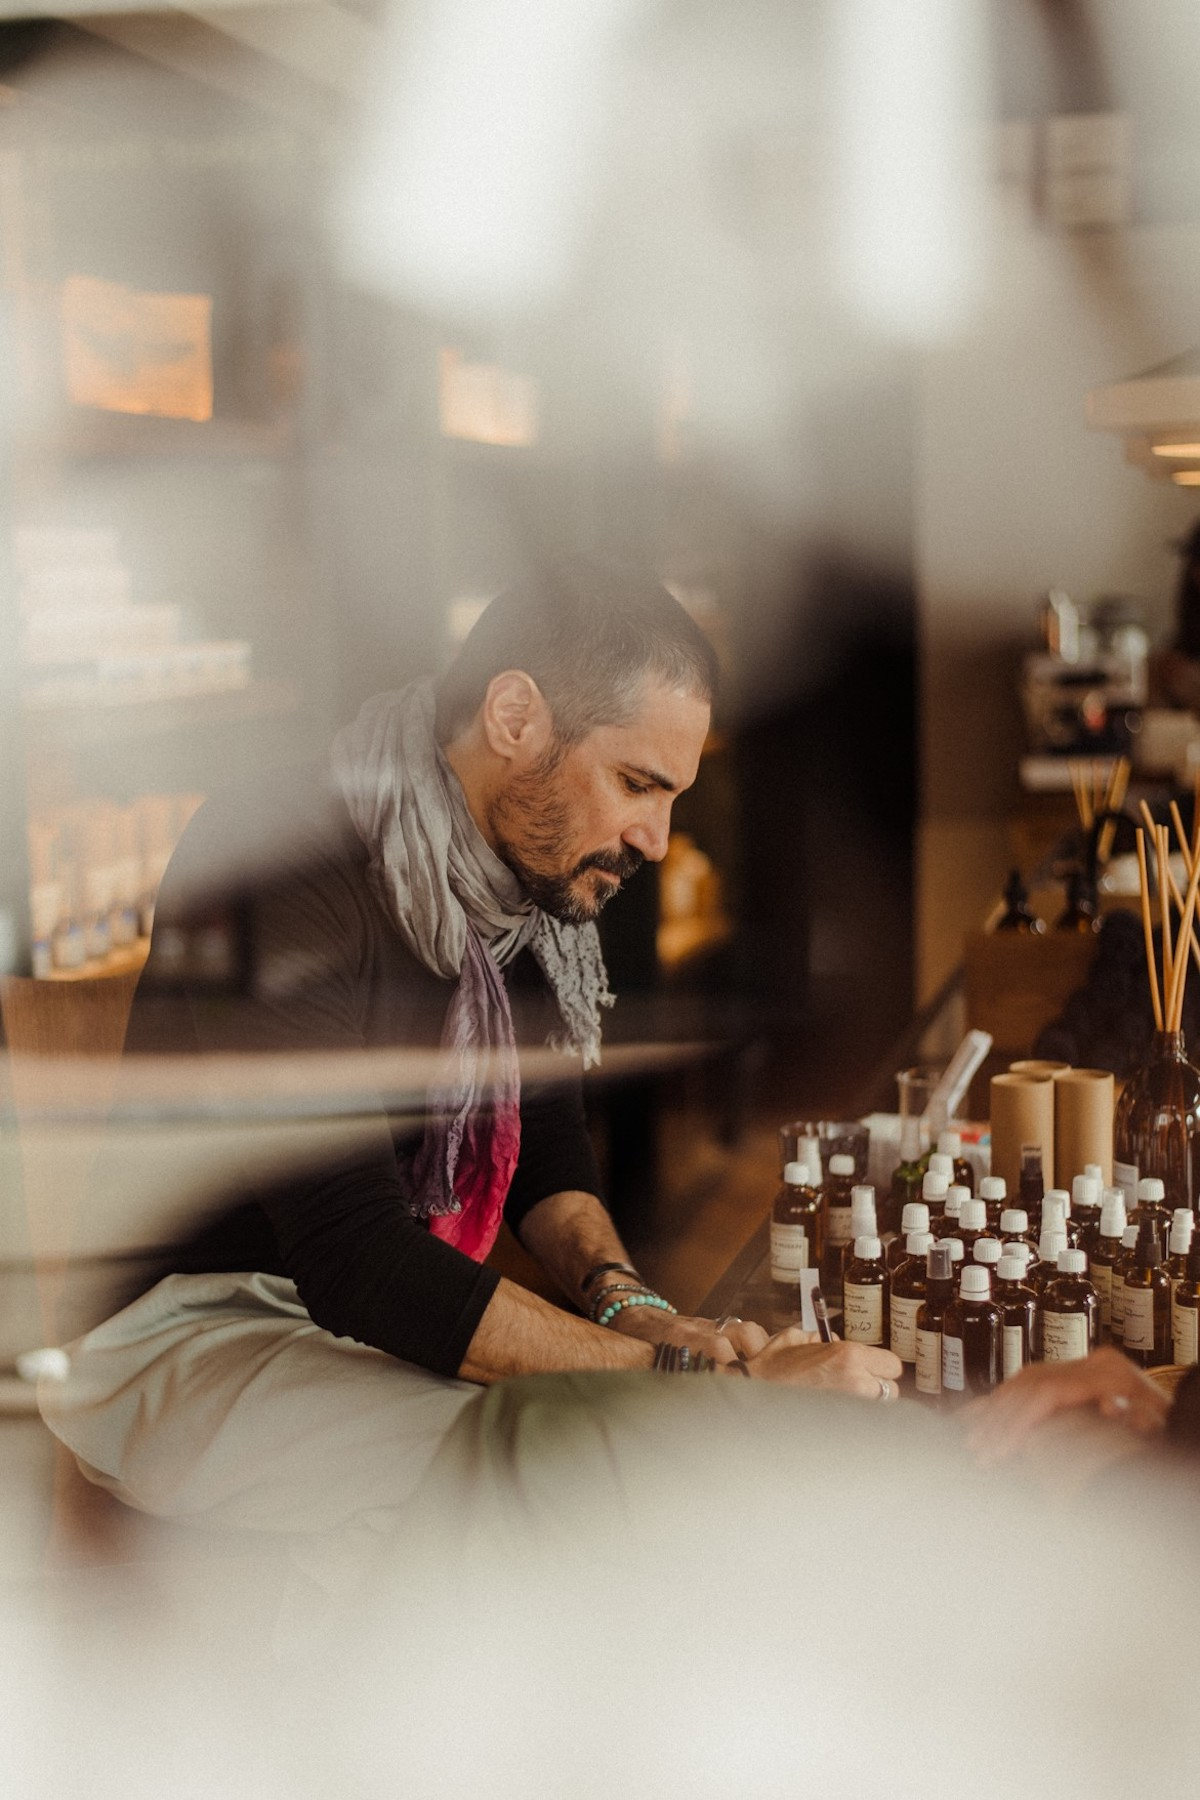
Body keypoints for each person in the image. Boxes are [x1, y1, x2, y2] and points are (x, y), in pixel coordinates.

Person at [42, 559, 900, 1538]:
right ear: (515, 718)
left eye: (672, 797)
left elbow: (545, 1148)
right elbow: (353, 1255)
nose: (657, 839)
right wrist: (698, 1380)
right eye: (635, 783)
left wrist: (632, 1310)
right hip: (184, 1332)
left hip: (346, 1312)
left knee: (595, 1449)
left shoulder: (513, 884)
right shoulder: (276, 864)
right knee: (549, 1470)